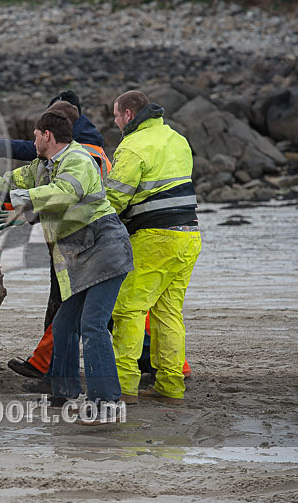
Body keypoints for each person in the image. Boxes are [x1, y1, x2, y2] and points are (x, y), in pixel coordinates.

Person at [0, 110, 133, 420]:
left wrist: (20, 202)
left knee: (92, 325)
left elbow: (63, 194)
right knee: (63, 324)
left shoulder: (78, 159)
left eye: (35, 136)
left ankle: (108, 404)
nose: (32, 141)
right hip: (82, 257)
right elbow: (7, 182)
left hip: (106, 252)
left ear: (46, 135)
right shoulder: (43, 167)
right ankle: (63, 394)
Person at [105, 90, 201, 405]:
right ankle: (171, 387)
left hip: (155, 238)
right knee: (169, 312)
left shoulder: (133, 146)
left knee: (128, 310)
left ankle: (124, 388)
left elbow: (115, 198)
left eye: (116, 115)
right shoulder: (177, 139)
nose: (115, 121)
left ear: (128, 115)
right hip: (189, 236)